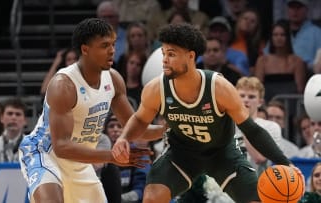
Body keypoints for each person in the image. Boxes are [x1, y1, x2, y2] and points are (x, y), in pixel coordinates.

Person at [112, 23, 297, 203]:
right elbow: (139, 120)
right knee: (153, 197)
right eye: (163, 54)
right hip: (181, 154)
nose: (164, 60)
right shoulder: (156, 89)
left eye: (171, 54)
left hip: (222, 154)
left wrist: (284, 162)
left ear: (191, 56)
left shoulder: (218, 87)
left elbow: (252, 129)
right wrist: (124, 138)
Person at [18, 18, 164, 203]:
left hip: (79, 159)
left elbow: (135, 129)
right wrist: (111, 156)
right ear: (85, 49)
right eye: (104, 45)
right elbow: (61, 146)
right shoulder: (63, 85)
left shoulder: (114, 80)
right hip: (45, 153)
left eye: (112, 44)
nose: (112, 50)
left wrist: (170, 129)